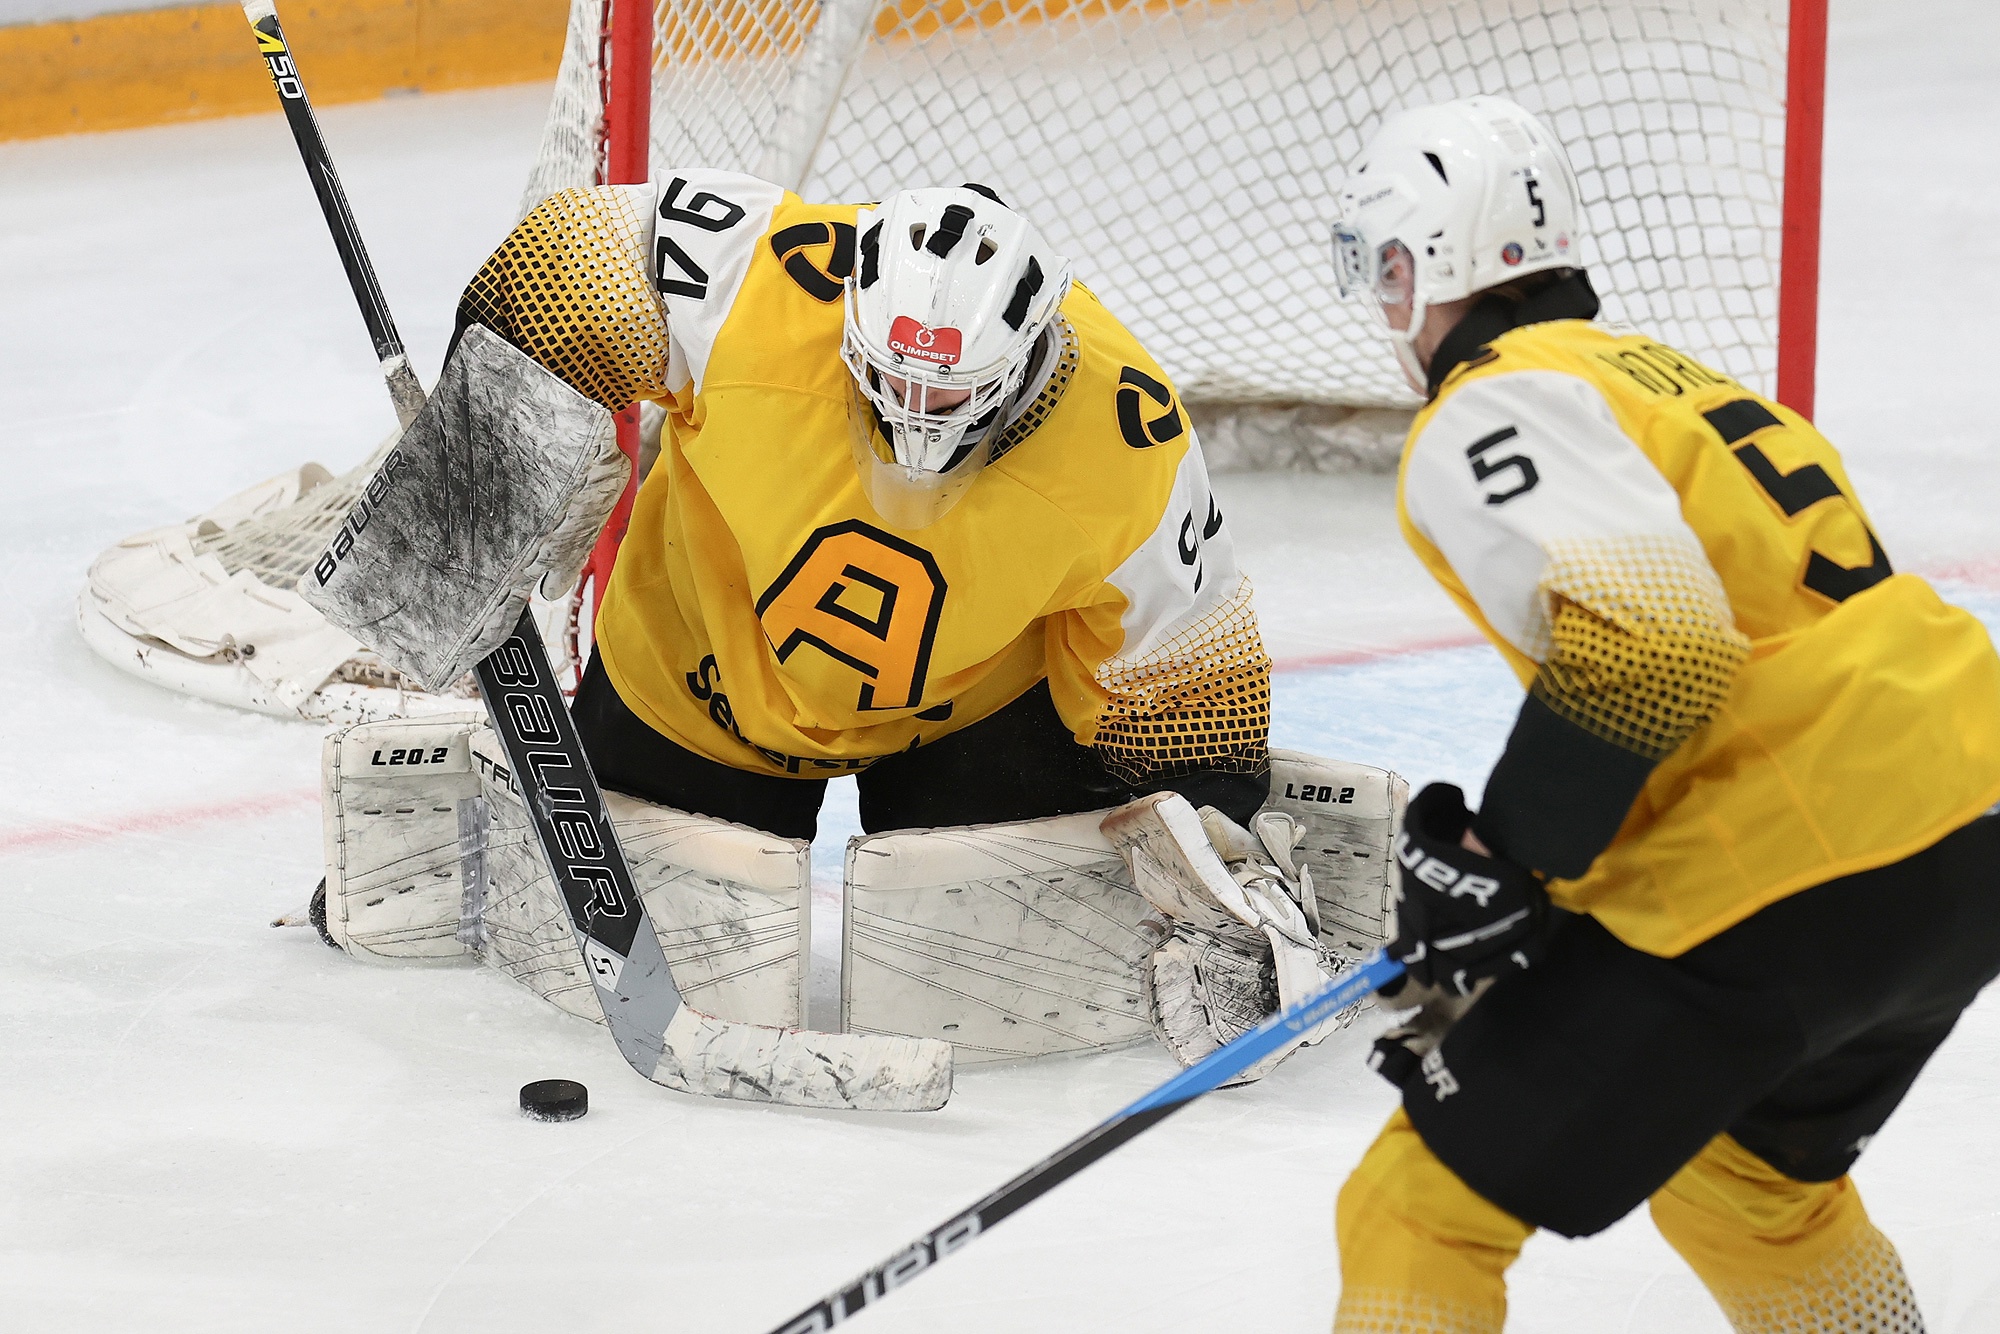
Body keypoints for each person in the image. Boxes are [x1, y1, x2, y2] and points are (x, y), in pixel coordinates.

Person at [1324, 94, 2000, 1331]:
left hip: (1796, 846)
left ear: (1422, 265)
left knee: (1415, 1211)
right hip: (1963, 821)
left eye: (1383, 269)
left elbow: (1655, 646)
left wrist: (1505, 858)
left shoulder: (1492, 402)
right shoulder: (1659, 377)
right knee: (1747, 1186)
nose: (1382, 306)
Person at [454, 173, 1270, 840]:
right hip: (697, 671)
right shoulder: (758, 286)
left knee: (988, 957)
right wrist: (494, 450)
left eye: (951, 394)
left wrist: (1212, 828)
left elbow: (1191, 685)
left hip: (972, 718)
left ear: (1026, 358)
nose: (916, 415)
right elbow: (559, 257)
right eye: (891, 377)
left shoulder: (1130, 438)